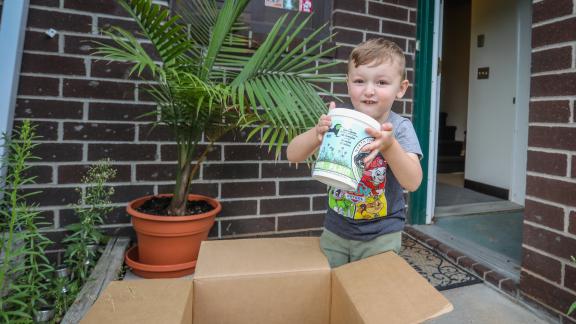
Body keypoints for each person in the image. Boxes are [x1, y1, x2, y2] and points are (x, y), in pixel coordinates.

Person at [286, 38, 423, 268]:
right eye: (360, 81)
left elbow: (413, 181)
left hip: (381, 235)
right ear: (348, 84)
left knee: (369, 295)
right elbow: (292, 154)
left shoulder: (399, 128)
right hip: (336, 230)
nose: (369, 90)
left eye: (381, 82)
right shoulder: (340, 122)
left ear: (400, 89)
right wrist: (316, 134)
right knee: (335, 289)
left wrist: (390, 147)